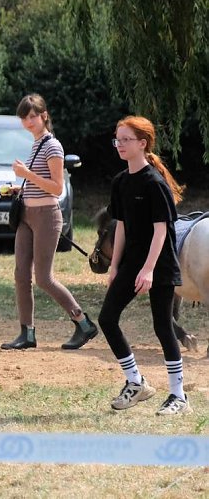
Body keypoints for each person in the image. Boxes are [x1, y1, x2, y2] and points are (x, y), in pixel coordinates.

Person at [99, 115, 191, 415]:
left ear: (142, 143)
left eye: (126, 140)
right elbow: (122, 225)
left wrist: (149, 269)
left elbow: (162, 230)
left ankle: (179, 396)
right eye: (118, 139)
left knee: (163, 326)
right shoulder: (121, 181)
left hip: (159, 264)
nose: (120, 145)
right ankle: (135, 382)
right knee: (107, 318)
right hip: (130, 263)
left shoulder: (154, 183)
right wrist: (114, 266)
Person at [1, 94, 98, 350]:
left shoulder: (53, 146)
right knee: (21, 274)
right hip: (27, 217)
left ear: (44, 116)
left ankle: (83, 322)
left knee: (43, 278)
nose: (28, 121)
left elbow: (56, 188)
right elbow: (39, 183)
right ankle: (27, 333)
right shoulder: (36, 144)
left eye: (33, 116)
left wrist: (26, 174)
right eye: (24, 117)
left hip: (46, 216)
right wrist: (19, 188)